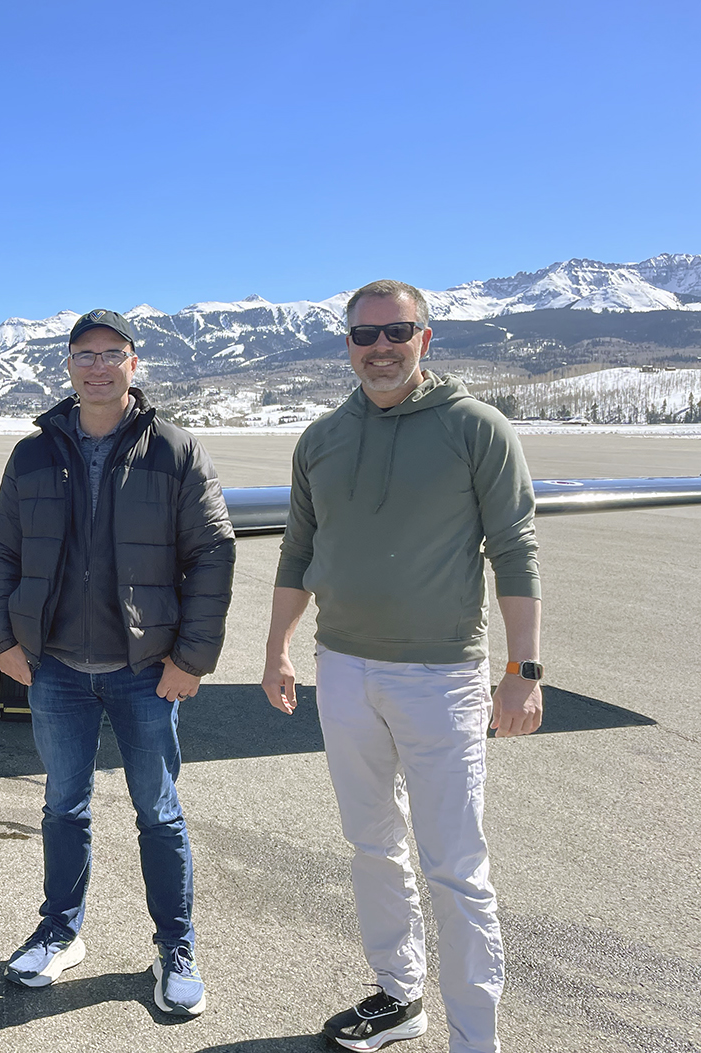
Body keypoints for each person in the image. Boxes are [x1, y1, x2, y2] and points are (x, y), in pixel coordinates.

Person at [261, 280, 543, 1053]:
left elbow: (515, 552)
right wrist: (278, 644)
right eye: (365, 335)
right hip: (342, 670)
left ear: (427, 338)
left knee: (456, 866)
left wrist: (524, 668)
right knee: (372, 843)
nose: (380, 348)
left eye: (397, 332)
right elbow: (298, 551)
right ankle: (399, 994)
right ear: (346, 344)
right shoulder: (319, 438)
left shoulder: (476, 429)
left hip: (440, 677)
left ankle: (474, 1040)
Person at [0, 308, 235, 1016]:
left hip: (147, 669)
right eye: (84, 354)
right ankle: (61, 932)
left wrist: (192, 658)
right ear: (68, 366)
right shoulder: (32, 453)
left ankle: (175, 947)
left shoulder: (174, 450)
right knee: (64, 803)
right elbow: (2, 553)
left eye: (111, 354)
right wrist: (4, 642)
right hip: (56, 666)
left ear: (134, 362)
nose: (97, 366)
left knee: (158, 811)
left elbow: (213, 553)